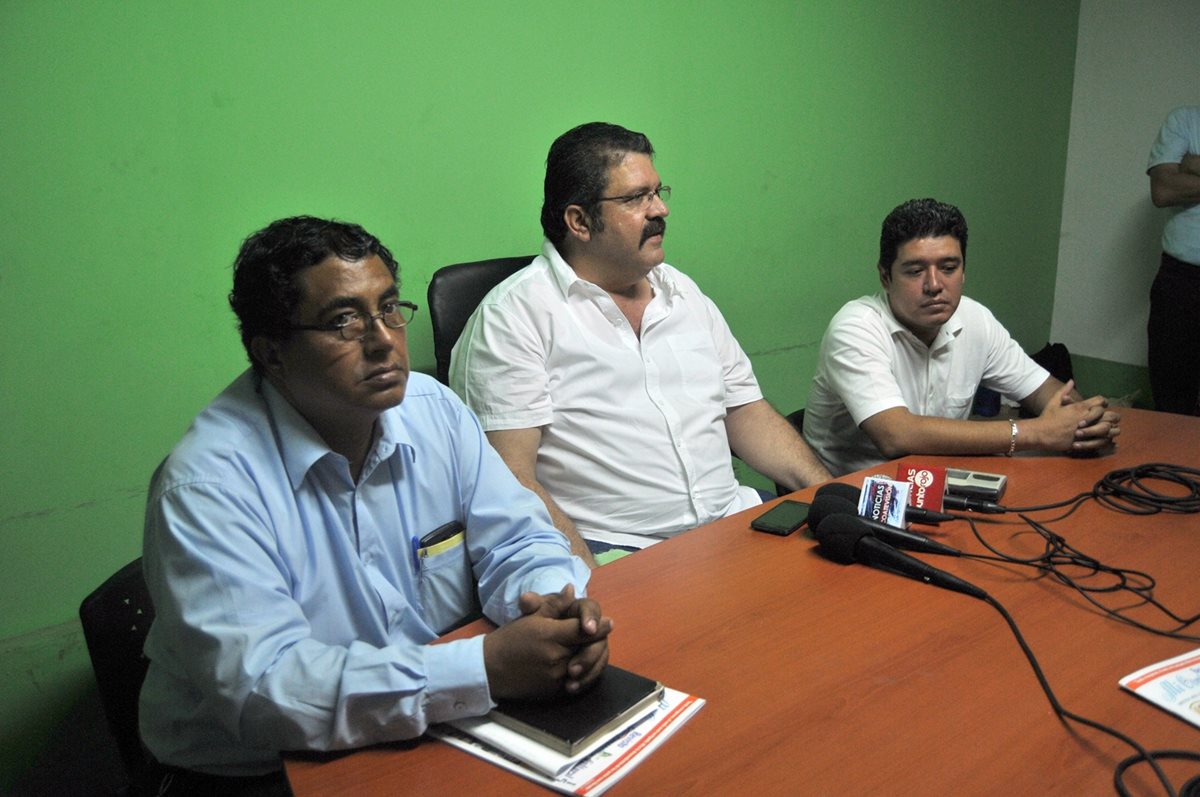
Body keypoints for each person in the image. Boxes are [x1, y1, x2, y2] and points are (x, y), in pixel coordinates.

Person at [139, 216, 610, 794]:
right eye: (344, 321)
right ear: (272, 354)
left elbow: (518, 539)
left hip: (434, 725)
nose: (383, 338)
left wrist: (553, 607)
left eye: (389, 308)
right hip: (265, 773)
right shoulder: (208, 489)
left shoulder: (432, 409)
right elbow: (266, 689)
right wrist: (485, 667)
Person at [450, 122, 830, 565]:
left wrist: (832, 497)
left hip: (737, 523)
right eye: (636, 198)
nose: (660, 210)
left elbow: (745, 411)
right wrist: (596, 586)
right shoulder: (513, 316)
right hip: (621, 553)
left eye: (658, 191)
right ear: (579, 221)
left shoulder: (682, 292)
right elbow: (512, 479)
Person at [804, 198, 1121, 477]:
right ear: (885, 277)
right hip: (850, 496)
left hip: (937, 484)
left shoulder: (974, 319)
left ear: (964, 270)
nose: (934, 284)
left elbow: (1048, 393)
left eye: (948, 267)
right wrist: (1037, 432)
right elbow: (896, 435)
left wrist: (1083, 424)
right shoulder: (856, 326)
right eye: (915, 270)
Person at [1147, 106, 1200, 415]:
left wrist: (1193, 166)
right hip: (1181, 281)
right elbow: (1163, 189)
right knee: (1172, 401)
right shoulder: (1185, 121)